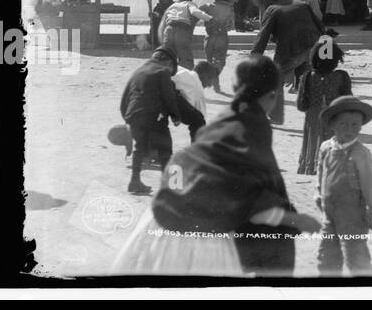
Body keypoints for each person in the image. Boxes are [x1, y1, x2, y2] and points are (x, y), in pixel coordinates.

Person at [112, 56, 322, 277]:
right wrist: (294, 219)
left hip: (159, 228)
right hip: (198, 239)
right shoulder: (252, 125)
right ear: (272, 95)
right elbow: (249, 192)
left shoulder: (227, 119)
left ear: (236, 87)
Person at [316, 95, 372, 277]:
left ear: (361, 126)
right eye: (343, 124)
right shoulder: (325, 147)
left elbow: (370, 185)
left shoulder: (361, 153)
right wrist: (318, 193)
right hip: (329, 213)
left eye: (355, 124)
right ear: (332, 125)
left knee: (356, 256)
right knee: (327, 255)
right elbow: (321, 171)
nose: (349, 129)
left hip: (353, 215)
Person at [252, 0, 326, 124]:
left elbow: (262, 37)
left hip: (290, 51)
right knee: (308, 80)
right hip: (311, 48)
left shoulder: (272, 9)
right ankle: (316, 115)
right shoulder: (301, 4)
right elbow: (320, 27)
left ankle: (276, 117)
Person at [119, 47, 184, 195]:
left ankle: (134, 181)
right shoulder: (162, 71)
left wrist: (128, 119)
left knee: (139, 147)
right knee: (165, 148)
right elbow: (169, 97)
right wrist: (175, 116)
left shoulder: (138, 71)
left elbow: (125, 97)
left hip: (133, 114)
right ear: (168, 62)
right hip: (153, 115)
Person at [297, 33, 353, 175]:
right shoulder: (342, 76)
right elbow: (347, 100)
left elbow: (301, 104)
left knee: (314, 135)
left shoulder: (307, 77)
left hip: (313, 116)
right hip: (334, 116)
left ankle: (310, 165)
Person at [159, 0, 211, 70]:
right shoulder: (190, 4)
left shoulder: (173, 6)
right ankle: (185, 76)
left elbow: (163, 22)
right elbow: (195, 12)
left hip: (168, 30)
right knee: (185, 56)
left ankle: (166, 75)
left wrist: (162, 37)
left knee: (168, 56)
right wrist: (209, 18)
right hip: (182, 31)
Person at [202, 0, 234, 93]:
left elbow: (196, 13)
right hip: (222, 37)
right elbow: (231, 26)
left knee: (210, 62)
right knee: (220, 62)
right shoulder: (229, 9)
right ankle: (212, 81)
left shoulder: (207, 6)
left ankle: (214, 85)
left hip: (209, 37)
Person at [172, 60, 211, 142]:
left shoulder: (182, 70)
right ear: (204, 76)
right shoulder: (196, 83)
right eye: (209, 80)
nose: (207, 85)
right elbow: (200, 115)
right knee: (199, 121)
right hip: (161, 94)